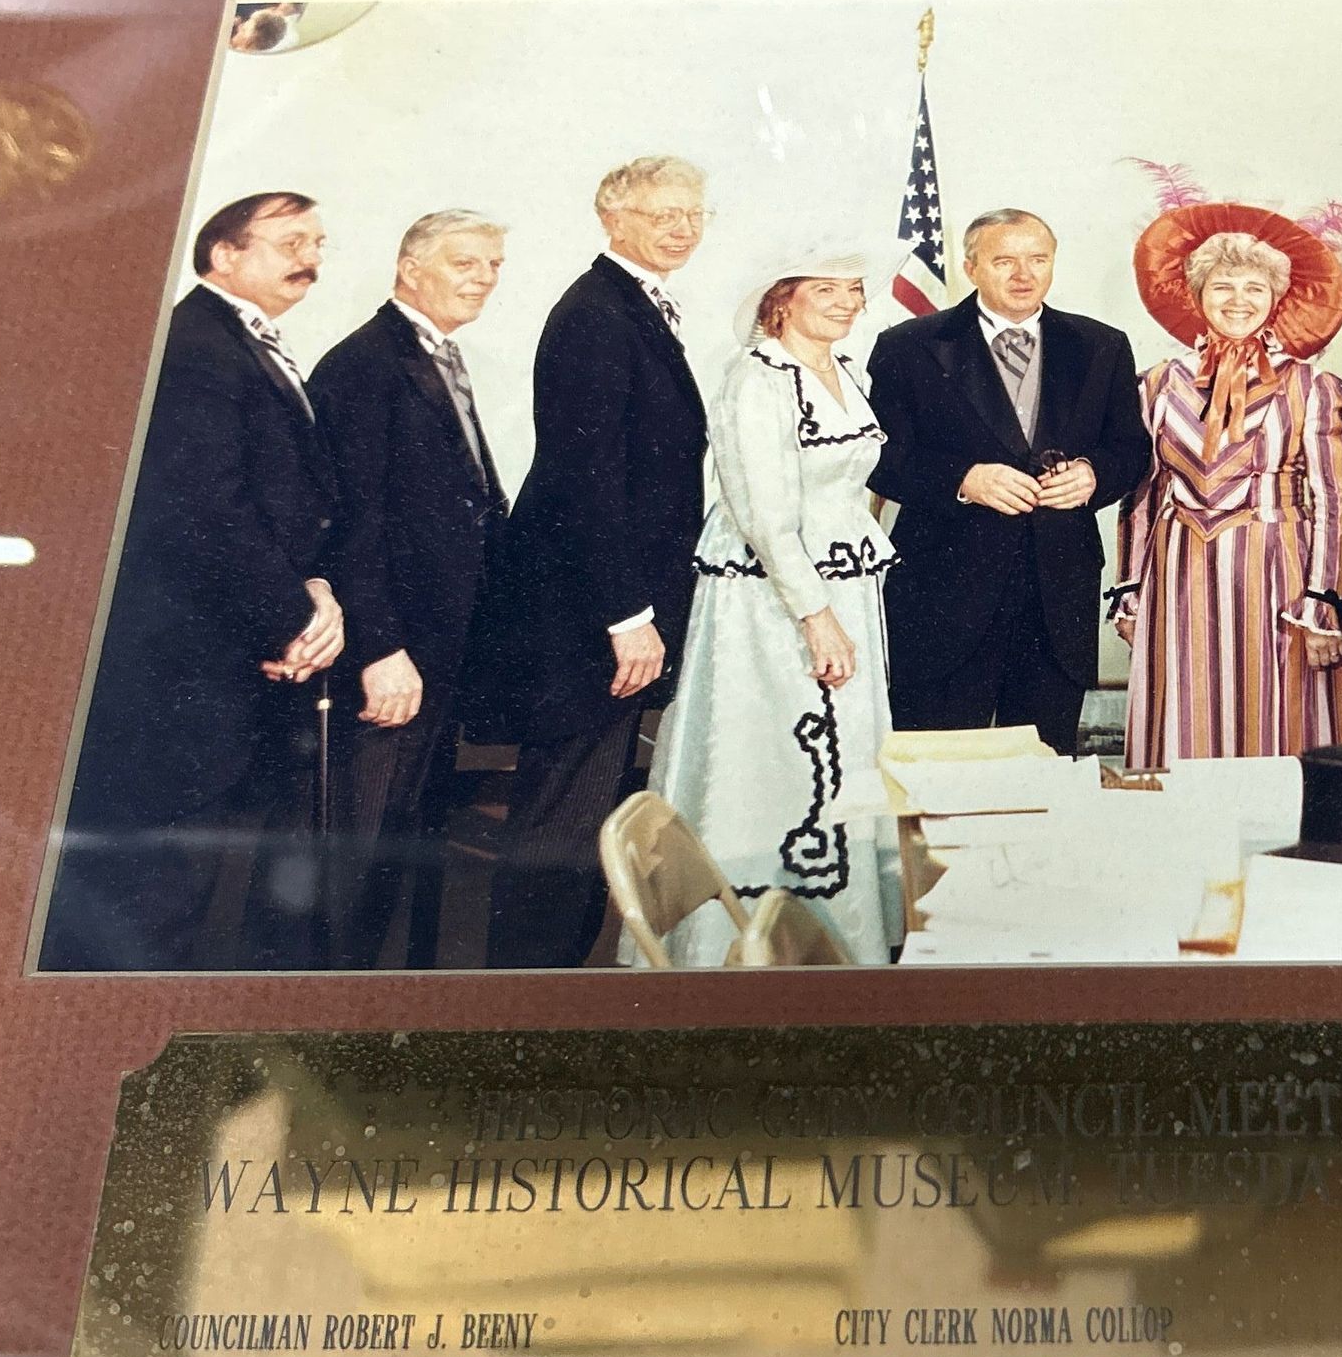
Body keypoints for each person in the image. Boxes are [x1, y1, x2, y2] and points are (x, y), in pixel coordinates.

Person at [41, 191, 343, 970]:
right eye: (290, 242)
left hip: (223, 654)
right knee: (152, 887)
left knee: (182, 881)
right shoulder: (198, 348)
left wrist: (313, 593)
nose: (310, 258)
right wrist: (291, 620)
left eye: (317, 243)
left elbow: (281, 502)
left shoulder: (242, 341)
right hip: (181, 667)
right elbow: (205, 512)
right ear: (224, 255)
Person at [471, 156, 710, 967]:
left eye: (693, 214)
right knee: (562, 818)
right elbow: (586, 480)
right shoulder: (597, 315)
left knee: (585, 816)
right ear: (613, 220)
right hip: (588, 620)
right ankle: (525, 996)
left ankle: (552, 983)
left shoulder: (631, 305)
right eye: (662, 214)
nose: (682, 228)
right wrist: (627, 615)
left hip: (604, 611)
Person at [644, 246, 901, 965]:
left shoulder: (843, 370)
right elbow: (763, 516)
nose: (846, 303)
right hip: (772, 597)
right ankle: (745, 941)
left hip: (843, 581)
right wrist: (816, 617)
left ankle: (839, 934)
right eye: (826, 290)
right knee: (778, 755)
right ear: (781, 300)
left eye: (853, 290)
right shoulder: (756, 379)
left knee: (841, 752)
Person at [307, 210, 510, 969]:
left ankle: (383, 995)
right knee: (359, 853)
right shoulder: (363, 367)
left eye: (493, 265)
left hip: (439, 651)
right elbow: (347, 526)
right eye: (466, 262)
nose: (484, 278)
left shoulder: (437, 356)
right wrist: (380, 649)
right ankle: (332, 1004)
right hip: (394, 656)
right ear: (410, 268)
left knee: (403, 844)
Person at [1110, 206, 1342, 769]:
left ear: (1276, 298)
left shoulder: (1312, 386)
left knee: (1281, 717)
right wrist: (1130, 588)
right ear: (1197, 295)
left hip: (1280, 576)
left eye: (1254, 287)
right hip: (1180, 576)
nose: (1238, 300)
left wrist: (1323, 602)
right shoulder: (1157, 384)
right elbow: (1143, 493)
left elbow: (1334, 500)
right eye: (1222, 286)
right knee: (1188, 714)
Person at [868, 208, 1148, 753]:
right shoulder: (908, 344)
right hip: (943, 592)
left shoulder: (1101, 345)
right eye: (1004, 261)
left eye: (1037, 259)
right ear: (971, 267)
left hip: (1058, 592)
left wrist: (1093, 476)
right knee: (939, 766)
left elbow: (1130, 449)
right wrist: (963, 478)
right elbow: (881, 456)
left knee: (1045, 763)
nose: (1024, 274)